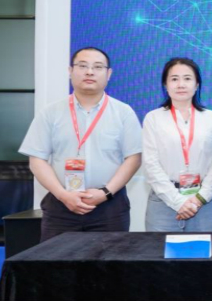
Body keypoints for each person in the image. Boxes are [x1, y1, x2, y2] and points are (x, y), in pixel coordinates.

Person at [20, 47, 142, 241]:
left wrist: (105, 193)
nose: (90, 72)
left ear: (109, 74)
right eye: (83, 66)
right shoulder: (50, 113)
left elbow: (133, 158)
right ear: (70, 71)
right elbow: (37, 160)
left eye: (98, 67)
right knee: (57, 259)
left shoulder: (123, 112)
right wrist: (63, 195)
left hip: (109, 207)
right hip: (61, 205)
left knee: (110, 260)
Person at [143, 58, 212, 232]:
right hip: (163, 202)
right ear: (165, 85)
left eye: (187, 78)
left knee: (201, 250)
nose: (181, 84)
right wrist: (178, 202)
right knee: (158, 249)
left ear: (197, 84)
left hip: (203, 203)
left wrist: (200, 198)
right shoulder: (153, 118)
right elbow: (150, 164)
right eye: (174, 79)